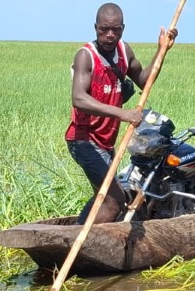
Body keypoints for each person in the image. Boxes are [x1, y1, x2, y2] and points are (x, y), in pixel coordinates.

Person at [65, 3, 177, 224]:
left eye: (115, 30)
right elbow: (78, 98)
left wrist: (162, 50)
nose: (109, 35)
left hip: (106, 141)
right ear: (95, 27)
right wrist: (122, 114)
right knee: (115, 200)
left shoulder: (124, 52)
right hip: (84, 140)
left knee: (106, 194)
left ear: (123, 28)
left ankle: (78, 230)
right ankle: (83, 245)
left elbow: (144, 81)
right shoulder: (86, 56)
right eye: (104, 29)